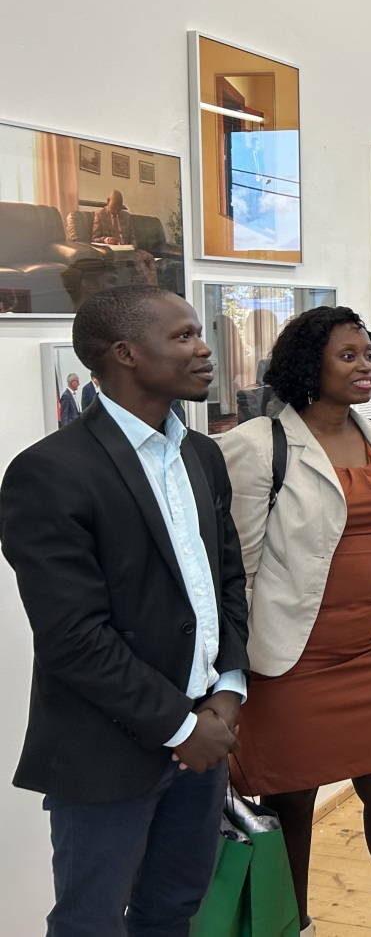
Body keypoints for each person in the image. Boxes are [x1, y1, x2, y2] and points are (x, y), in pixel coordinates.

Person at [0, 286, 249, 936]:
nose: (204, 350)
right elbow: (74, 637)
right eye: (185, 336)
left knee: (173, 909)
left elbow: (225, 582)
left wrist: (226, 689)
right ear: (126, 354)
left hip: (203, 736)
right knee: (90, 923)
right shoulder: (49, 473)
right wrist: (180, 725)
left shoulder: (201, 455)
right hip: (108, 752)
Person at [219, 306, 371, 937]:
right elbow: (234, 569)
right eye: (348, 356)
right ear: (307, 365)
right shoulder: (256, 447)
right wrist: (224, 673)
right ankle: (293, 925)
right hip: (290, 658)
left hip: (369, 648)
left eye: (368, 355)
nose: (366, 367)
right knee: (290, 798)